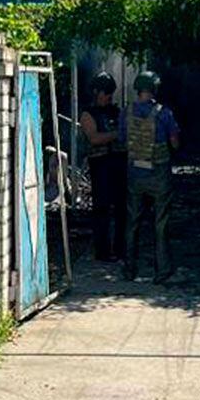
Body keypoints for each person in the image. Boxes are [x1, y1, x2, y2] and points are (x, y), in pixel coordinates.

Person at [121, 71, 181, 284]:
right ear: (155, 89)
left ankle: (129, 270)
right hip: (159, 174)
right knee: (160, 222)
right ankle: (162, 271)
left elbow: (122, 139)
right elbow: (174, 143)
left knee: (132, 222)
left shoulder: (126, 113)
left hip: (135, 174)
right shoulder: (164, 113)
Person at [78, 72, 126, 262]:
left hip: (119, 162)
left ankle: (121, 248)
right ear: (96, 92)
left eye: (110, 93)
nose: (108, 97)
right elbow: (94, 138)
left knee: (122, 208)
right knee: (102, 209)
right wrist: (116, 134)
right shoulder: (88, 114)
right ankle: (103, 250)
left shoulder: (115, 111)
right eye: (105, 93)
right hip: (101, 164)